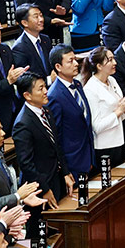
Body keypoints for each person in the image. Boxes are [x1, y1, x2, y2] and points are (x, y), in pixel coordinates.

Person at [15, 72, 71, 205]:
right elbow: (26, 164)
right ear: (27, 95)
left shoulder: (46, 111)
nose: (46, 91)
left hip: (56, 178)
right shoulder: (23, 123)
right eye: (40, 89)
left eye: (45, 87)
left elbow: (56, 144)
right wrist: (44, 189)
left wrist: (65, 172)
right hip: (40, 186)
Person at [47, 45, 94, 179]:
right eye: (70, 61)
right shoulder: (54, 95)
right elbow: (57, 136)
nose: (76, 64)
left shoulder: (77, 84)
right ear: (58, 67)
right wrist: (65, 170)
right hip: (72, 161)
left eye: (75, 59)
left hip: (88, 155)